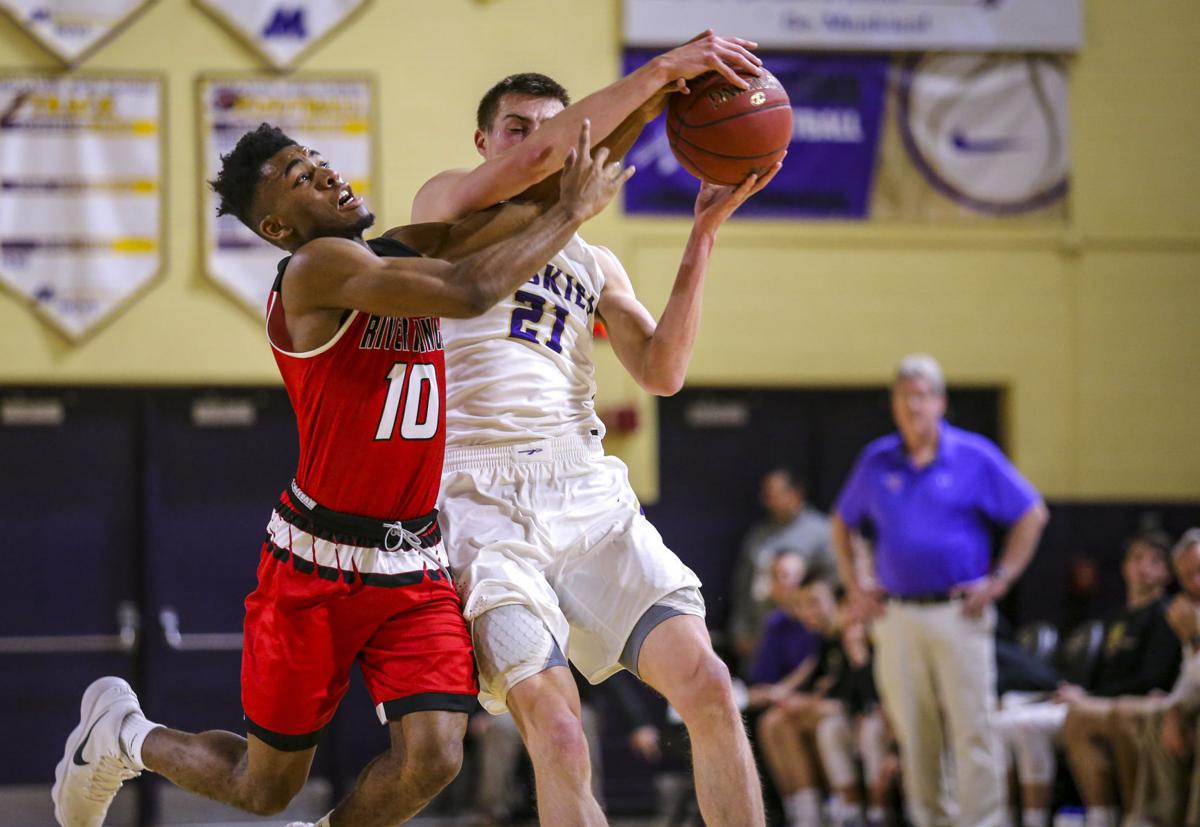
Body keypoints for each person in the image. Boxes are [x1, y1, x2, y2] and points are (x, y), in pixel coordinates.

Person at [52, 120, 632, 827]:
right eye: (301, 178)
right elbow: (474, 286)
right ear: (276, 224)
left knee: (436, 755)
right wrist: (574, 209)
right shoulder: (315, 272)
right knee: (262, 787)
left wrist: (660, 86)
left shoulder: (397, 255)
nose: (325, 174)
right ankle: (124, 733)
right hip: (315, 568)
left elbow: (528, 207)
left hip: (413, 559)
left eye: (317, 160)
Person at [410, 49, 781, 826]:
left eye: (556, 130)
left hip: (583, 487)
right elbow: (542, 166)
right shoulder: (447, 204)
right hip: (480, 501)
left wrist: (703, 235)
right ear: (484, 143)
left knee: (711, 686)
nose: (540, 145)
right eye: (517, 130)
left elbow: (663, 369)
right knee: (558, 731)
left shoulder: (593, 257)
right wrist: (658, 76)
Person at [830, 353, 1050, 827]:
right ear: (894, 404)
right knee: (915, 733)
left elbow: (1032, 513)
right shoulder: (877, 460)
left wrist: (1001, 580)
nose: (915, 405)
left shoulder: (973, 455)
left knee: (973, 728)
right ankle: (930, 820)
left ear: (941, 402)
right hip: (897, 615)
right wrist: (855, 586)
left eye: (924, 395)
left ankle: (984, 822)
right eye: (906, 396)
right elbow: (842, 522)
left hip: (959, 613)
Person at [995, 531, 1179, 827]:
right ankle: (1015, 817)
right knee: (1003, 723)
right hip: (1092, 700)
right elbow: (1095, 677)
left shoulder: (1165, 615)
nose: (1144, 567)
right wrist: (1078, 690)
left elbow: (1150, 678)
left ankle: (1102, 817)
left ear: (1169, 573)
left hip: (1127, 704)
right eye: (1137, 558)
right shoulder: (1113, 618)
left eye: (1155, 561)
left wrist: (1087, 697)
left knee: (1035, 724)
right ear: (1124, 566)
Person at [1121, 529, 1200, 827]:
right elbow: (1190, 678)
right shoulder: (1191, 612)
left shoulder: (1190, 622)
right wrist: (1174, 707)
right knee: (1160, 721)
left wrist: (1194, 638)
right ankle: (1153, 819)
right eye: (1188, 576)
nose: (1197, 583)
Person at [729, 469, 837, 670]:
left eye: (775, 495)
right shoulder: (759, 534)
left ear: (796, 493)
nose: (769, 501)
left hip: (801, 632)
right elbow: (742, 585)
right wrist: (740, 627)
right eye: (767, 495)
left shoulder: (821, 531)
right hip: (759, 631)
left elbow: (834, 582)